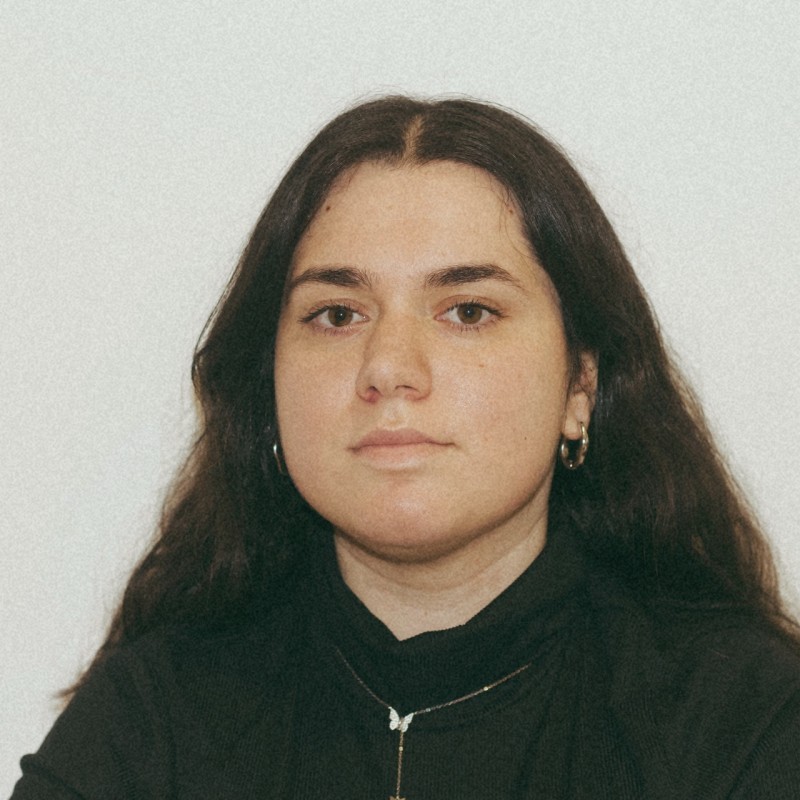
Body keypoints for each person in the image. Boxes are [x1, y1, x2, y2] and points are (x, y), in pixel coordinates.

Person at [12, 96, 800, 799]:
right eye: (337, 315)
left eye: (467, 311)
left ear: (580, 386)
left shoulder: (745, 723)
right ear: (267, 384)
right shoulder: (150, 718)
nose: (388, 367)